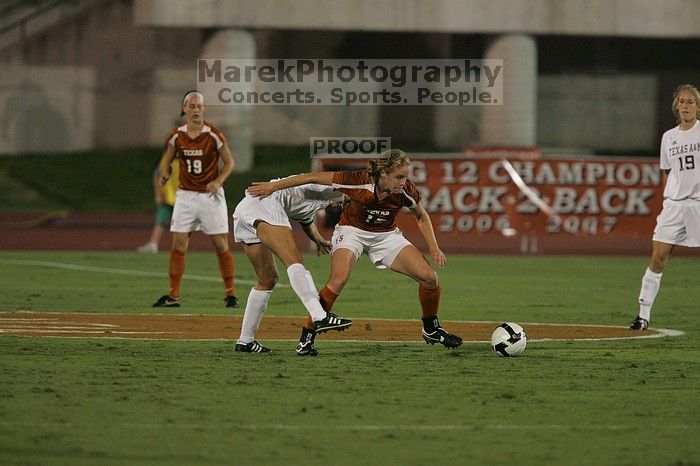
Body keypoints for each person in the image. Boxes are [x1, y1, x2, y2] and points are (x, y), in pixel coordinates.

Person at [247, 149, 463, 354]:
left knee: (429, 278)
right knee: (338, 281)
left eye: (405, 177)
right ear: (384, 173)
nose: (403, 182)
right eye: (399, 177)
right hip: (351, 232)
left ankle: (431, 329)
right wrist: (273, 187)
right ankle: (307, 337)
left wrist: (434, 248)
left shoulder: (405, 191)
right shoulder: (357, 181)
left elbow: (421, 215)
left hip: (386, 236)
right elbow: (311, 177)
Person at [232, 180, 352, 354]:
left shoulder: (320, 202)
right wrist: (273, 186)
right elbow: (307, 178)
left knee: (267, 279)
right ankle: (319, 315)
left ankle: (245, 341)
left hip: (247, 210)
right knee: (294, 261)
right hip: (265, 203)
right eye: (346, 197)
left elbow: (306, 220)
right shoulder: (325, 187)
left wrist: (317, 239)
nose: (343, 203)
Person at [152, 90, 239, 308]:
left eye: (199, 106)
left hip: (210, 196)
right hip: (186, 196)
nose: (196, 110)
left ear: (204, 109)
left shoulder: (214, 135)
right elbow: (167, 161)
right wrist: (164, 174)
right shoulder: (176, 136)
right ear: (184, 110)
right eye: (191, 106)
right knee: (179, 243)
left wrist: (218, 181)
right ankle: (174, 295)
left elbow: (229, 163)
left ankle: (231, 294)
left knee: (220, 244)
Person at [631, 84, 700, 330]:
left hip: (699, 205)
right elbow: (666, 171)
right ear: (676, 107)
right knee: (658, 259)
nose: (686, 105)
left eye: (690, 101)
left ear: (698, 107)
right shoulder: (668, 137)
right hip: (674, 206)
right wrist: (667, 199)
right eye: (682, 101)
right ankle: (642, 316)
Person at [137, 153, 179, 253]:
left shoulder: (186, 159)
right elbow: (157, 175)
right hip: (168, 196)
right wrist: (159, 194)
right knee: (161, 219)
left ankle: (178, 246)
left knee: (179, 223)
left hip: (181, 195)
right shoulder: (166, 158)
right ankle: (153, 244)